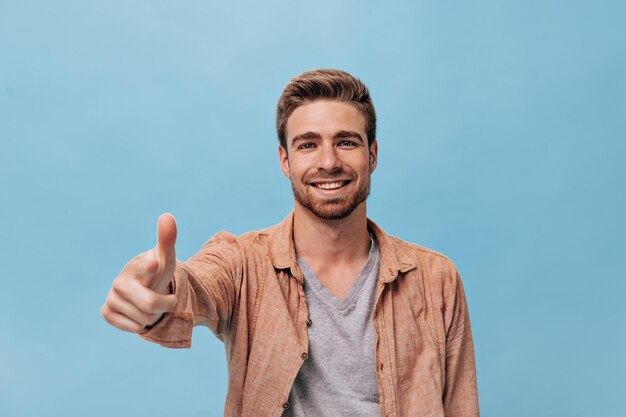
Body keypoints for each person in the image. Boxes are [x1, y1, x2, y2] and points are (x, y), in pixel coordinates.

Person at [101, 69, 480, 417]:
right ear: (285, 160)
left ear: (373, 154)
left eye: (346, 142)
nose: (329, 161)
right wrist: (155, 288)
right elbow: (196, 285)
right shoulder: (244, 263)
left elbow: (462, 408)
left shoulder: (436, 279)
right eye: (308, 145)